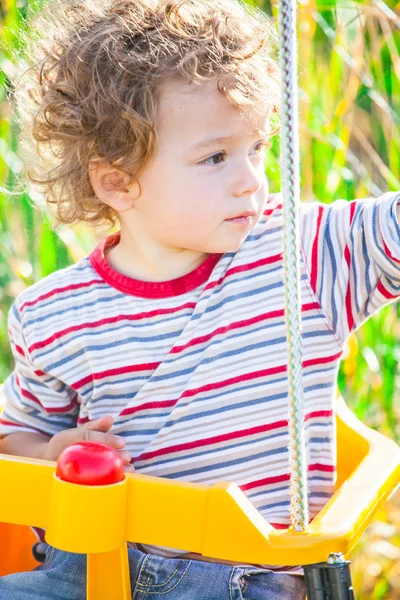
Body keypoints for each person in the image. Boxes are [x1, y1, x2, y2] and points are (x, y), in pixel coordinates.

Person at [0, 0, 399, 598]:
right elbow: (14, 442)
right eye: (215, 157)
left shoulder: (303, 255)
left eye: (256, 148)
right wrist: (55, 451)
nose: (251, 179)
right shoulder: (54, 314)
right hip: (86, 569)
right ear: (117, 181)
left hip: (247, 579)